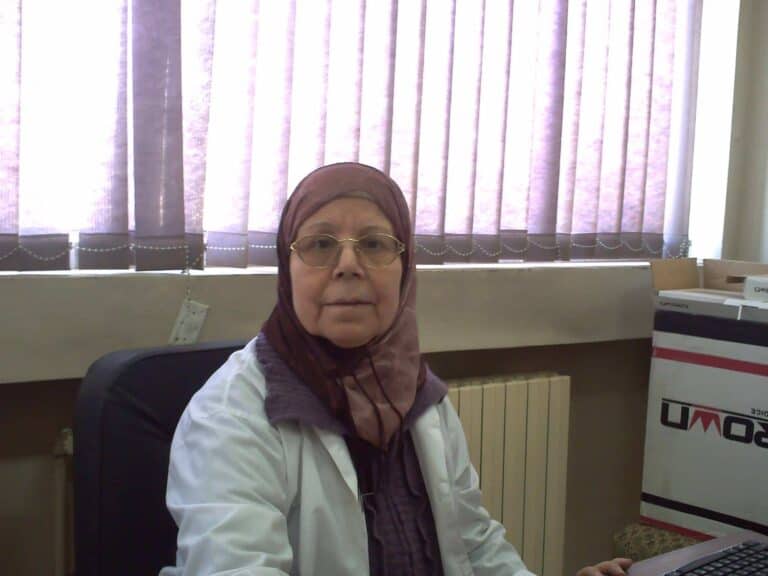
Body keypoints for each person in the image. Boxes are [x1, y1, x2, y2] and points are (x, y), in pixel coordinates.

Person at [161, 162, 633, 575]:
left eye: (374, 244)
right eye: (320, 244)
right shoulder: (229, 416)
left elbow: (475, 545)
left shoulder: (417, 394)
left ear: (405, 269)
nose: (348, 265)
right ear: (287, 268)